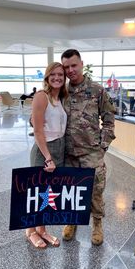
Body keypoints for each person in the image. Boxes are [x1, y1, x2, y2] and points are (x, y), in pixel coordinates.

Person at [61, 49, 116, 246]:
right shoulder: (61, 91)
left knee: (95, 192)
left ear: (81, 64)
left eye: (73, 65)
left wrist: (102, 147)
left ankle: (97, 225)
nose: (70, 70)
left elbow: (109, 120)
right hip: (68, 154)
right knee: (70, 191)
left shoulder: (97, 90)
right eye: (66, 67)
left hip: (91, 154)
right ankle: (71, 222)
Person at [26, 62, 68, 249]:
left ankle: (41, 229)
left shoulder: (60, 98)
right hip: (44, 149)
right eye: (53, 74)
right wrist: (48, 157)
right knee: (36, 191)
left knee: (47, 193)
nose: (57, 77)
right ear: (47, 77)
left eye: (61, 74)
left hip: (59, 147)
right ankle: (30, 231)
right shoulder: (41, 96)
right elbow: (37, 131)